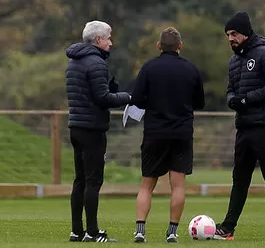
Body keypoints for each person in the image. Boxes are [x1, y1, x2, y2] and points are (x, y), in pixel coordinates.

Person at [213, 11, 265, 242]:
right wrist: (231, 100)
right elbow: (230, 90)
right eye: (228, 34)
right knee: (239, 178)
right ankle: (227, 228)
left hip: (264, 125)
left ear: (246, 33)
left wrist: (246, 99)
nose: (230, 38)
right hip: (244, 127)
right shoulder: (234, 60)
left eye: (234, 33)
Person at [129, 27, 205, 243]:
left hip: (154, 132)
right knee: (178, 184)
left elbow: (136, 99)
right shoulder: (190, 69)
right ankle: (172, 231)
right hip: (181, 133)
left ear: (159, 46)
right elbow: (199, 102)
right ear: (180, 46)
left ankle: (140, 230)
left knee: (147, 185)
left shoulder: (149, 68)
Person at [65, 20, 132, 243]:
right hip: (92, 129)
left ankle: (77, 230)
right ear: (98, 40)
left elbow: (89, 93)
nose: (111, 43)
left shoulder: (74, 61)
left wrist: (109, 89)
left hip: (75, 126)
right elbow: (102, 99)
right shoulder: (96, 63)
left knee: (80, 181)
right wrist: (127, 97)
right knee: (94, 182)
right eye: (109, 38)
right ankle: (92, 233)